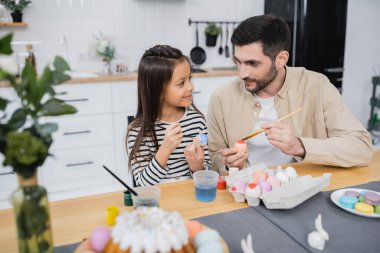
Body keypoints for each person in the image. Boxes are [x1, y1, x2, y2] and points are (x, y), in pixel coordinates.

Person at [207, 14, 373, 175]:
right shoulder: (221, 98)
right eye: (238, 62)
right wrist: (226, 164)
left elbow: (361, 147)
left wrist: (299, 146)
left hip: (304, 192)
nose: (242, 73)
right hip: (246, 193)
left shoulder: (316, 86)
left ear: (281, 59)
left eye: (252, 63)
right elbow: (213, 157)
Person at [126, 45, 210, 186]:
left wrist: (197, 168)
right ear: (157, 91)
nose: (191, 87)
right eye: (181, 83)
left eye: (190, 78)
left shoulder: (198, 122)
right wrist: (165, 149)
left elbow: (208, 173)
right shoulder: (137, 131)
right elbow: (143, 185)